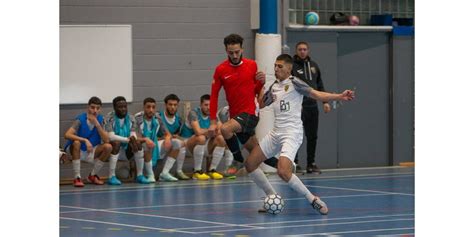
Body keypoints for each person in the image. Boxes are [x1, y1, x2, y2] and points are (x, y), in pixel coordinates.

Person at [245, 54, 354, 215]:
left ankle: (312, 199)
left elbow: (317, 94)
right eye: (275, 66)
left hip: (292, 133)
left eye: (280, 66)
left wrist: (339, 96)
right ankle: (272, 196)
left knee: (283, 171)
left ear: (289, 68)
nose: (276, 69)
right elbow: (261, 104)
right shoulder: (273, 86)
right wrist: (259, 85)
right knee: (250, 164)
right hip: (276, 133)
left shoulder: (295, 83)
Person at [208, 33, 266, 171]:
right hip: (236, 116)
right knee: (256, 151)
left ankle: (238, 159)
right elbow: (214, 95)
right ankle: (283, 166)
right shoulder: (221, 69)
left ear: (242, 49)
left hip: (250, 113)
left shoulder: (252, 65)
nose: (234, 55)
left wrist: (262, 82)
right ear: (226, 51)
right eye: (230, 52)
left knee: (225, 129)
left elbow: (256, 90)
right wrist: (212, 121)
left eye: (237, 52)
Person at [292, 41, 331, 174]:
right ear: (296, 51)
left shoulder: (314, 66)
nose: (302, 51)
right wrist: (297, 104)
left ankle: (311, 163)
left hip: (312, 106)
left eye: (304, 49)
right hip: (298, 107)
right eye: (300, 49)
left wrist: (325, 102)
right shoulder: (292, 66)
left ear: (308, 51)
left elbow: (320, 85)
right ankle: (294, 163)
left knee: (312, 136)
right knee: (297, 136)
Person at [63, 96, 113, 187]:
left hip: (91, 150)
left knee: (108, 147)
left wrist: (97, 124)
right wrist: (85, 140)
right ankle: (77, 177)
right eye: (92, 107)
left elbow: (107, 140)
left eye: (97, 108)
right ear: (88, 107)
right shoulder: (80, 119)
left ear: (100, 109)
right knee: (77, 143)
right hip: (76, 150)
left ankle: (93, 175)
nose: (95, 110)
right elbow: (67, 135)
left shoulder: (101, 120)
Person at [181, 94, 226, 180]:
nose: (209, 107)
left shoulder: (213, 114)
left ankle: (212, 170)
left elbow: (221, 130)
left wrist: (214, 132)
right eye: (206, 105)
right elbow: (198, 131)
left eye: (210, 105)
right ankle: (197, 171)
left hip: (203, 145)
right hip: (186, 145)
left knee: (221, 139)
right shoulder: (193, 113)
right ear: (201, 105)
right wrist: (212, 131)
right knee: (200, 137)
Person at [134, 97, 173, 183]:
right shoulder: (137, 118)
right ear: (144, 108)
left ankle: (165, 173)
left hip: (154, 144)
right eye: (148, 107)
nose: (151, 110)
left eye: (153, 107)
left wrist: (167, 139)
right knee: (145, 144)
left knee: (176, 143)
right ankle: (150, 175)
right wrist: (145, 139)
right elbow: (135, 138)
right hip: (140, 147)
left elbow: (168, 134)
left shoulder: (157, 118)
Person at [104, 96, 140, 185]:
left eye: (125, 106)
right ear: (114, 108)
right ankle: (111, 176)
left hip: (126, 149)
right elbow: (111, 136)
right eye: (120, 107)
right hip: (111, 150)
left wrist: (133, 140)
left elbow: (133, 134)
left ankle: (140, 175)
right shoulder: (109, 117)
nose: (123, 109)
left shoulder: (131, 118)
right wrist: (128, 140)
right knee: (116, 143)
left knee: (139, 144)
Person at [157, 94, 189, 181]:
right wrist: (165, 138)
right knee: (177, 143)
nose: (172, 107)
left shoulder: (179, 120)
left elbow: (180, 136)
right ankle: (164, 173)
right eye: (170, 104)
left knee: (182, 143)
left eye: (175, 105)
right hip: (158, 146)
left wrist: (177, 137)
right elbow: (153, 136)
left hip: (171, 147)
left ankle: (179, 171)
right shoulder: (158, 117)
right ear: (165, 105)